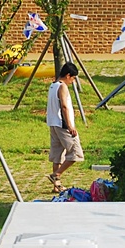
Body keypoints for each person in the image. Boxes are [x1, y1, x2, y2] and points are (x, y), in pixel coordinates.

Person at [47, 63, 83, 193]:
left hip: (53, 124)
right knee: (75, 153)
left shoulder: (52, 85)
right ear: (68, 75)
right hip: (63, 125)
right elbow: (64, 106)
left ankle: (56, 186)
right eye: (73, 78)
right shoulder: (62, 87)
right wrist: (70, 125)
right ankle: (56, 174)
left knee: (58, 156)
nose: (72, 81)